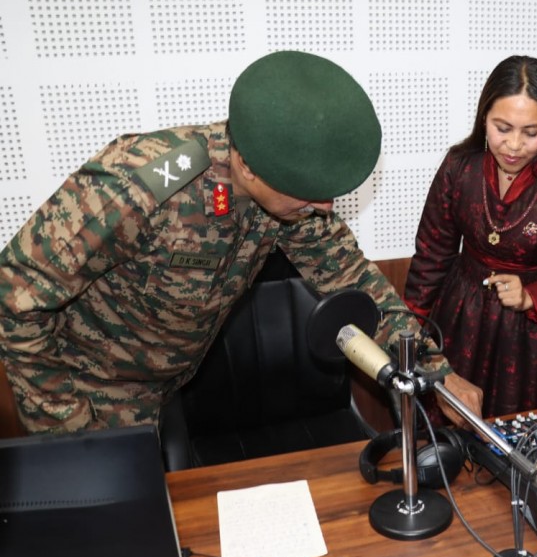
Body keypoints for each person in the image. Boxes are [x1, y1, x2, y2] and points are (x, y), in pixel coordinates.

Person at [0, 50, 482, 434]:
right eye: (311, 195)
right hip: (89, 393)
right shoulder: (138, 186)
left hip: (167, 391)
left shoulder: (291, 197)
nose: (326, 208)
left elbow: (354, 282)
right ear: (247, 166)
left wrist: (436, 372)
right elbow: (14, 296)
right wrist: (69, 428)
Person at [403, 55, 537, 420]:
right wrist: (409, 334)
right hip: (463, 315)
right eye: (502, 127)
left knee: (522, 441)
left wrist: (532, 296)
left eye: (531, 133)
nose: (513, 145)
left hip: (535, 338)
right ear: (484, 119)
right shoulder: (460, 167)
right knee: (452, 427)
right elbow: (433, 252)